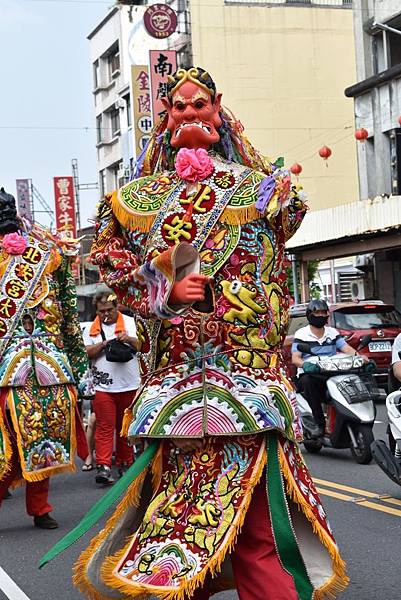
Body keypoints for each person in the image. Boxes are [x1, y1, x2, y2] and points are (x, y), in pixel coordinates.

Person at [74, 67, 348, 599]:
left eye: (200, 105)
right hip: (176, 392)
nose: (189, 114)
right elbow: (108, 263)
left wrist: (234, 140)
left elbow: (291, 214)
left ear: (218, 108)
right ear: (165, 116)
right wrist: (162, 285)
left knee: (259, 540)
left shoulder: (263, 189)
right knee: (176, 540)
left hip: (249, 388)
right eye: (179, 107)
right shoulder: (136, 198)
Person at [0, 188, 92, 529]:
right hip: (7, 367)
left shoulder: (46, 256)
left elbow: (68, 315)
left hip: (50, 365)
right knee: (8, 440)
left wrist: (79, 367)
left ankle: (40, 507)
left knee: (47, 436)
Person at [83, 292, 140, 485]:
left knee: (125, 428)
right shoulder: (92, 329)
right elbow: (86, 353)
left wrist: (128, 339)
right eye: (101, 311)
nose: (106, 314)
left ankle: (125, 462)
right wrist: (104, 344)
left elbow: (144, 345)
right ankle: (104, 466)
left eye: (109, 310)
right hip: (104, 388)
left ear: (117, 307)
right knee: (105, 428)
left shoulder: (131, 323)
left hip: (130, 385)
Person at [292, 298, 364, 437]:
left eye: (323, 313)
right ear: (309, 315)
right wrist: (306, 365)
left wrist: (360, 357)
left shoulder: (332, 332)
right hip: (312, 374)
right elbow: (296, 358)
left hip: (332, 372)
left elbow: (346, 348)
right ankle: (320, 424)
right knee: (308, 382)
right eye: (317, 312)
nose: (320, 315)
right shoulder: (301, 334)